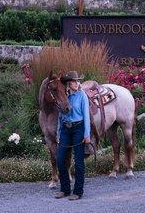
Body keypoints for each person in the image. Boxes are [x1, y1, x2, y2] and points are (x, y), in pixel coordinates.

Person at [54, 71, 91, 201]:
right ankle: (65, 189)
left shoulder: (82, 96)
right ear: (68, 83)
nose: (77, 83)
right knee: (60, 159)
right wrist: (58, 133)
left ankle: (78, 191)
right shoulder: (63, 96)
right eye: (74, 81)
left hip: (78, 129)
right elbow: (60, 116)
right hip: (65, 129)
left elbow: (86, 115)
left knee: (79, 162)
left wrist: (87, 134)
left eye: (78, 81)